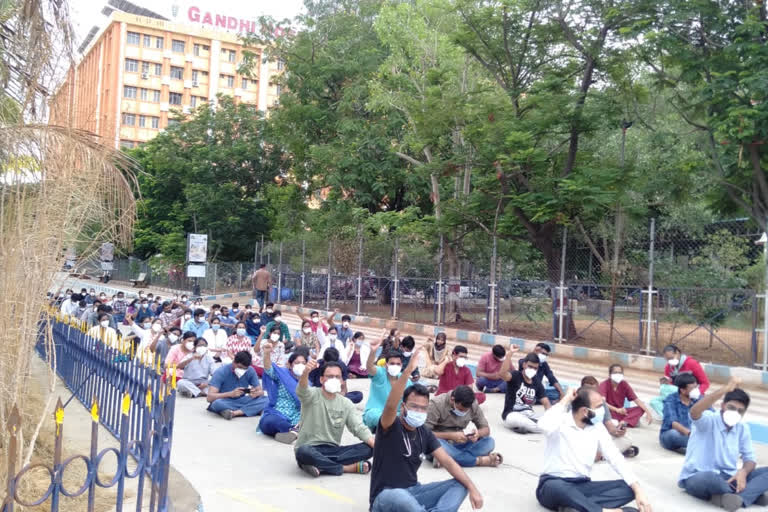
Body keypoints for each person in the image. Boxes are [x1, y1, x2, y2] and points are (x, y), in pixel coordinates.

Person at [369, 347, 484, 512]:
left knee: (460, 484)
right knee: (400, 497)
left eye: (423, 408)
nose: (419, 411)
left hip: (414, 492)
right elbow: (390, 404)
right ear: (403, 407)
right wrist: (408, 370)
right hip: (385, 497)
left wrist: (473, 488)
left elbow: (448, 462)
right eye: (414, 407)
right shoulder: (390, 425)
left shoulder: (424, 433)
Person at [535, 387, 653, 512]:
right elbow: (543, 425)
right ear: (585, 411)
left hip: (582, 486)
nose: (603, 410)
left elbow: (615, 457)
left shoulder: (597, 428)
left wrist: (638, 491)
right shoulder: (560, 422)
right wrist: (566, 399)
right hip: (553, 484)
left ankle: (575, 507)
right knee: (557, 487)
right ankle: (600, 510)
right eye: (599, 406)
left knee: (629, 488)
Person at [678, 377, 768, 510]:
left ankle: (736, 497)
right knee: (710, 477)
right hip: (699, 476)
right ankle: (748, 494)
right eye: (731, 407)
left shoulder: (742, 428)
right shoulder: (709, 420)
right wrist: (725, 389)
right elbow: (694, 411)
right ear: (722, 405)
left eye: (740, 411)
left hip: (730, 477)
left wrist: (743, 472)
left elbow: (750, 459)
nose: (735, 413)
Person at [294, 359, 374, 477]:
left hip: (333, 450)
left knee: (368, 449)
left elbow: (358, 428)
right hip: (310, 447)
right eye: (330, 376)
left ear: (342, 381)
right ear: (321, 379)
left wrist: (377, 446)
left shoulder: (346, 403)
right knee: (303, 452)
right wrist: (306, 372)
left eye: (337, 377)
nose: (334, 379)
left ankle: (319, 465)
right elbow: (302, 389)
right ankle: (345, 468)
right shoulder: (312, 395)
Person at [425, 385, 501, 469]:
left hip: (460, 443)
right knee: (437, 445)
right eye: (460, 410)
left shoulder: (473, 404)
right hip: (441, 443)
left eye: (466, 410)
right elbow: (424, 434)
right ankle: (480, 461)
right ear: (452, 399)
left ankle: (448, 458)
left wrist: (478, 434)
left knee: (489, 442)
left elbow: (486, 429)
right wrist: (451, 436)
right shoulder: (436, 404)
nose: (463, 412)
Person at [581, 376, 639, 459]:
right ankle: (609, 454)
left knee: (626, 440)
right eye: (588, 389)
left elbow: (609, 425)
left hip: (599, 436)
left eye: (594, 390)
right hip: (582, 438)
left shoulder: (601, 402)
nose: (592, 393)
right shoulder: (577, 402)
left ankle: (601, 455)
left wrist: (618, 432)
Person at [259, 344, 307, 443]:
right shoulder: (282, 375)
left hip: (297, 417)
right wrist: (267, 353)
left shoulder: (307, 381)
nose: (300, 365)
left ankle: (291, 432)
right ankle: (292, 431)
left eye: (303, 363)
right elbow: (269, 369)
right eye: (297, 363)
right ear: (289, 365)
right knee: (268, 422)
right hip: (278, 413)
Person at [363, 339, 412, 430]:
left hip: (396, 416)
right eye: (392, 363)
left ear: (401, 366)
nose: (395, 366)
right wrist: (372, 353)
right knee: (375, 416)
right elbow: (370, 367)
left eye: (398, 364)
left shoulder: (405, 380)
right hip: (376, 413)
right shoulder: (380, 374)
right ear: (386, 365)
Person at [206, 351, 269, 420]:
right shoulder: (221, 372)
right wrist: (230, 394)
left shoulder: (250, 370)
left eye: (244, 369)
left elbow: (260, 391)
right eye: (239, 367)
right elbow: (209, 397)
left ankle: (234, 413)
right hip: (225, 400)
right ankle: (252, 410)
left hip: (241, 400)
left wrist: (256, 393)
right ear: (234, 362)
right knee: (216, 403)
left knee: (266, 400)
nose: (242, 370)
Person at [501, 352, 551, 433]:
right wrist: (509, 355)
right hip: (512, 414)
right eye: (530, 366)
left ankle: (529, 427)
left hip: (529, 415)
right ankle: (535, 427)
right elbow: (502, 374)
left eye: (535, 368)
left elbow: (546, 403)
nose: (532, 370)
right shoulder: (516, 375)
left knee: (549, 422)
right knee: (520, 420)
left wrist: (550, 417)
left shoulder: (537, 382)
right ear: (524, 364)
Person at [660, 373, 702, 454]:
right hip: (675, 433)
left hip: (694, 434)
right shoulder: (671, 400)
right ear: (682, 390)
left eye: (696, 387)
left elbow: (711, 413)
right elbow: (673, 423)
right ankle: (700, 445)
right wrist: (690, 434)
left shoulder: (698, 398)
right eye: (693, 388)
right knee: (674, 434)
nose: (696, 390)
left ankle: (698, 444)